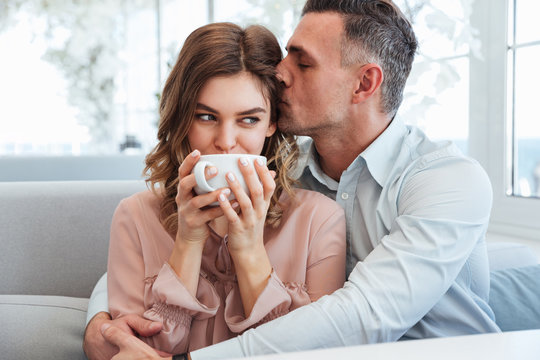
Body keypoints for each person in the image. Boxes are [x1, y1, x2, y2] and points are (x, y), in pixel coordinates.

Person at [85, 0, 501, 359]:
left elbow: (361, 318)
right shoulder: (280, 173)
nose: (279, 74)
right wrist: (101, 324)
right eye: (286, 58)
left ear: (365, 83)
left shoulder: (446, 181)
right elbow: (152, 244)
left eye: (302, 62)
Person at [89, 21, 347, 358]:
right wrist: (189, 241)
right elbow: (139, 351)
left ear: (272, 123)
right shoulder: (135, 216)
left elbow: (309, 352)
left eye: (248, 120)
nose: (225, 143)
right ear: (183, 119)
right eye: (207, 117)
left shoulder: (320, 221)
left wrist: (249, 250)